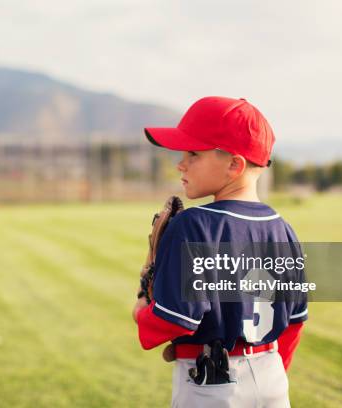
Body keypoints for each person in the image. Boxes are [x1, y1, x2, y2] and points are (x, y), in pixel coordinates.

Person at [132, 97, 307, 407]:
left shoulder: (193, 225)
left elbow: (175, 320)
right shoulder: (283, 229)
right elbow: (294, 321)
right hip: (273, 378)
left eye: (193, 154)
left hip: (211, 387)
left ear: (234, 165)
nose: (180, 163)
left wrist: (141, 309)